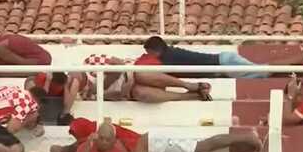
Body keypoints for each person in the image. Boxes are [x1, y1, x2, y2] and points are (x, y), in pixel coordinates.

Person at [50, 117, 262, 152]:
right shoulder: (107, 134)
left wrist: (61, 150)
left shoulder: (99, 134)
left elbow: (76, 142)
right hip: (154, 143)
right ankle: (245, 140)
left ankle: (246, 137)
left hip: (154, 144)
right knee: (203, 149)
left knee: (203, 148)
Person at [137, 36, 303, 79]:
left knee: (265, 70)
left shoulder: (168, 59)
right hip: (225, 61)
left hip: (226, 65)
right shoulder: (172, 52)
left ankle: (300, 60)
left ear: (154, 51)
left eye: (149, 53)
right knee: (263, 72)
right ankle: (298, 67)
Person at [82, 53, 213, 103]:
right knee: (140, 93)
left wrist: (126, 76)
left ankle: (188, 85)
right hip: (127, 90)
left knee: (140, 74)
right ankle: (191, 96)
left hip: (133, 71)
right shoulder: (86, 93)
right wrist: (123, 91)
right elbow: (114, 97)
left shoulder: (89, 62)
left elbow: (117, 61)